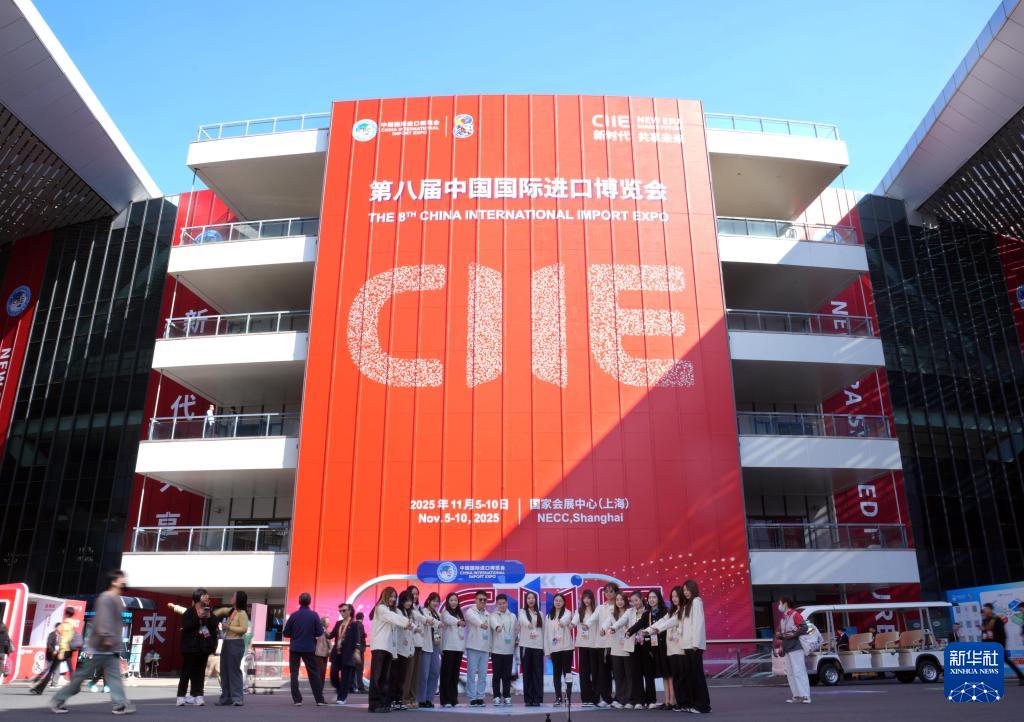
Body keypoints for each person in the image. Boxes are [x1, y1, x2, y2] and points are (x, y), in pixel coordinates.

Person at [49, 569, 134, 715]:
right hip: (101, 646)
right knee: (81, 677)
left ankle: (120, 704)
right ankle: (58, 699)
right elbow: (102, 620)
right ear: (114, 582)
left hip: (110, 648)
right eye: (122, 578)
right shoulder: (106, 598)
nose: (124, 581)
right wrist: (106, 637)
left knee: (114, 678)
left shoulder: (116, 599)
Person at [368, 586, 411, 713]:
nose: (393, 599)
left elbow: (394, 623)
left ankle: (383, 703)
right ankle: (374, 704)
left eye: (394, 597)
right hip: (379, 647)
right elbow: (393, 617)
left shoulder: (390, 610)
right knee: (377, 677)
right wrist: (406, 622)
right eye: (391, 596)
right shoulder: (381, 608)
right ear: (385, 596)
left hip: (388, 648)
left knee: (384, 677)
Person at [283, 592, 327, 707]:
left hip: (295, 648)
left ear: (299, 602)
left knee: (294, 673)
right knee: (313, 673)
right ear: (310, 602)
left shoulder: (294, 616)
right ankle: (319, 699)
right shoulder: (314, 615)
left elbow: (286, 633)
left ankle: (297, 700)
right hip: (309, 648)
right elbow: (320, 632)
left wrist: (295, 634)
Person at [176, 588, 219, 706]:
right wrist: (198, 617)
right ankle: (181, 696)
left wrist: (209, 617)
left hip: (203, 646)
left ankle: (198, 696)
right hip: (190, 647)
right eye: (204, 595)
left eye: (207, 595)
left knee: (200, 672)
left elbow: (214, 626)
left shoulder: (209, 611)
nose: (207, 597)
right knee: (186, 672)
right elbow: (186, 626)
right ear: (198, 597)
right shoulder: (189, 611)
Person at [647, 586, 687, 711]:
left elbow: (667, 623)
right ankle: (669, 701)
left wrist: (657, 629)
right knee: (667, 675)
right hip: (667, 648)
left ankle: (676, 701)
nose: (674, 599)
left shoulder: (680, 610)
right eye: (672, 597)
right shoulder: (670, 611)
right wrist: (647, 631)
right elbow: (661, 622)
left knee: (675, 676)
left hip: (679, 647)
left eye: (677, 596)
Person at [681, 580, 710, 714]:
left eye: (687, 589)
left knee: (697, 676)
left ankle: (702, 705)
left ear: (693, 589)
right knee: (693, 676)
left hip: (694, 646)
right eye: (684, 590)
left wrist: (695, 644)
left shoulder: (696, 602)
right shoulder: (688, 604)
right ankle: (700, 704)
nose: (686, 592)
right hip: (688, 645)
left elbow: (698, 624)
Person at [604, 591, 637, 709]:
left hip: (628, 647)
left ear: (626, 600)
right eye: (617, 600)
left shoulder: (631, 612)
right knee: (618, 675)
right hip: (616, 647)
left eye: (622, 599)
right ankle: (619, 698)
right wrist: (603, 629)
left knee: (629, 675)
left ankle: (630, 699)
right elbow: (607, 623)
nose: (619, 602)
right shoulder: (613, 613)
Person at [775, 596, 810, 704]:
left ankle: (805, 696)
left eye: (780, 603)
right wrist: (781, 641)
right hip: (787, 648)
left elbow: (805, 627)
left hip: (796, 647)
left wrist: (793, 634)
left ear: (785, 604)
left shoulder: (795, 615)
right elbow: (781, 633)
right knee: (790, 673)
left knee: (799, 672)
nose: (779, 606)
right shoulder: (783, 618)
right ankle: (797, 696)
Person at [216, 591, 248, 706]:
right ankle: (226, 698)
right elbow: (220, 611)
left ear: (238, 599)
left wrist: (228, 627)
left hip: (236, 642)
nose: (231, 597)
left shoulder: (242, 613)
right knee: (224, 671)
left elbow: (243, 629)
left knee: (234, 671)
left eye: (233, 596)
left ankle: (237, 698)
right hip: (227, 642)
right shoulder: (232, 611)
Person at [982, 603, 1024, 685]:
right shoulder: (985, 620)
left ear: (990, 609)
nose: (984, 611)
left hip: (998, 645)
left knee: (1005, 661)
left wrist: (1001, 645)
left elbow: (1002, 634)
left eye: (986, 609)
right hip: (989, 645)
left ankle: (1021, 677)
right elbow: (985, 633)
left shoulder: (997, 619)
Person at [626, 592, 656, 709]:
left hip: (646, 645)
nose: (634, 603)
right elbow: (622, 621)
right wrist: (614, 628)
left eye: (636, 600)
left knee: (648, 674)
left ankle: (651, 700)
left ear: (642, 599)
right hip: (634, 645)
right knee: (636, 673)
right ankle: (639, 700)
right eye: (632, 601)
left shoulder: (648, 612)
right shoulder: (630, 612)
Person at [387, 590, 415, 710]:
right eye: (406, 600)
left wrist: (411, 649)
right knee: (394, 675)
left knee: (402, 676)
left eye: (410, 601)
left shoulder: (409, 613)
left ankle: (398, 700)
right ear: (402, 600)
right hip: (397, 649)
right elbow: (404, 625)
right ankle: (392, 700)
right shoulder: (398, 611)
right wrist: (414, 627)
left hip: (405, 650)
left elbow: (410, 634)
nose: (409, 603)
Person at [543, 592, 573, 706]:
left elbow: (564, 621)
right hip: (554, 648)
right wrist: (547, 651)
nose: (558, 602)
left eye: (560, 601)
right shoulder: (548, 616)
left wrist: (560, 621)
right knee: (556, 674)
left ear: (564, 602)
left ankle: (568, 697)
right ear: (553, 602)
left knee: (567, 673)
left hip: (566, 647)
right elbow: (546, 635)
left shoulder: (567, 613)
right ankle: (558, 697)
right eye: (556, 600)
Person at [645, 589, 673, 709]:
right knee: (664, 674)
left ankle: (672, 701)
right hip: (656, 646)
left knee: (669, 674)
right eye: (649, 597)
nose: (651, 600)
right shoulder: (649, 613)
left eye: (654, 597)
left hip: (666, 645)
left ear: (659, 599)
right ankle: (666, 700)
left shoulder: (665, 611)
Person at [571, 589, 599, 707]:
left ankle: (595, 698)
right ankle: (585, 698)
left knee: (595, 672)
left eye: (589, 598)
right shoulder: (579, 611)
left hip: (594, 645)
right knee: (584, 673)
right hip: (582, 645)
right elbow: (573, 622)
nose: (586, 600)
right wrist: (570, 624)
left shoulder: (597, 610)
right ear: (582, 599)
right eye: (584, 598)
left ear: (592, 599)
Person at [415, 593, 443, 708]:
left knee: (435, 673)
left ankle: (429, 698)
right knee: (424, 674)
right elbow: (430, 621)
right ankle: (421, 699)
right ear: (428, 601)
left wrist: (440, 648)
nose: (435, 603)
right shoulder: (423, 611)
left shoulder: (438, 614)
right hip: (426, 645)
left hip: (435, 645)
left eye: (437, 601)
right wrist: (439, 623)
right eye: (433, 600)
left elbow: (439, 631)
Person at [463, 590, 491, 707]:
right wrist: (481, 624)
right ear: (475, 600)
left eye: (485, 600)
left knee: (483, 675)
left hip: (485, 649)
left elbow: (490, 633)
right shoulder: (470, 611)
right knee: (471, 674)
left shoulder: (488, 614)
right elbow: (474, 620)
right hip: (473, 647)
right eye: (480, 599)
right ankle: (472, 697)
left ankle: (480, 697)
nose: (483, 601)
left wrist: (490, 648)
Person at [439, 592, 466, 708]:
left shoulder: (459, 613)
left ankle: (454, 699)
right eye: (451, 600)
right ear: (447, 602)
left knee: (455, 675)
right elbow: (448, 620)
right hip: (448, 648)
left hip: (458, 648)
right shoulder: (445, 613)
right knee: (447, 674)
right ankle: (446, 700)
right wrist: (458, 622)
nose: (454, 602)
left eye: (455, 600)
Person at [489, 593, 516, 706]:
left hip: (509, 650)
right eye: (499, 604)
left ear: (507, 603)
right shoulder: (493, 616)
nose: (502, 605)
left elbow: (515, 631)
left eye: (504, 603)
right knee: (496, 675)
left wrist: (516, 640)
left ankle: (507, 696)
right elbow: (493, 624)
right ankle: (496, 696)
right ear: (497, 604)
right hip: (496, 650)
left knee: (506, 675)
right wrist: (497, 627)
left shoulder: (513, 616)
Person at [519, 591, 544, 707]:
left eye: (533, 598)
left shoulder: (540, 614)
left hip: (538, 647)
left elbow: (543, 631)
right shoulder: (522, 612)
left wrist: (545, 647)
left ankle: (537, 698)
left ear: (536, 600)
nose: (531, 600)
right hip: (526, 646)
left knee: (537, 673)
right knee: (527, 673)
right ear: (526, 600)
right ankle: (528, 698)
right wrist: (528, 624)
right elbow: (522, 620)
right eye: (528, 598)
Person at [595, 582, 618, 707]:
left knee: (618, 673)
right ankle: (606, 698)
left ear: (616, 592)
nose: (608, 594)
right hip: (603, 644)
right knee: (604, 673)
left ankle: (619, 698)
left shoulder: (619, 606)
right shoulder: (600, 607)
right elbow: (592, 619)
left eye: (611, 591)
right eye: (606, 591)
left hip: (617, 644)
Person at [401, 586, 423, 707]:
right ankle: (405, 698)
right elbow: (415, 622)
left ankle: (412, 698)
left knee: (415, 675)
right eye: (412, 594)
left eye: (416, 594)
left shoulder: (419, 608)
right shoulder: (406, 610)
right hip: (409, 644)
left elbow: (422, 619)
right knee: (408, 674)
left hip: (419, 644)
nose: (415, 596)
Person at [315, 615, 332, 689]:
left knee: (322, 671)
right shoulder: (321, 630)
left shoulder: (325, 630)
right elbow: (329, 639)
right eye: (327, 621)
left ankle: (320, 687)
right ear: (323, 622)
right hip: (319, 653)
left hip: (324, 653)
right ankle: (319, 687)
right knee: (321, 671)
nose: (329, 623)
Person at [353, 612, 368, 693]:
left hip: (354, 649)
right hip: (359, 650)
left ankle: (353, 686)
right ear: (362, 618)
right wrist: (359, 648)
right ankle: (360, 687)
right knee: (359, 669)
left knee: (354, 669)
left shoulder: (354, 624)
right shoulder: (360, 625)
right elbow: (359, 637)